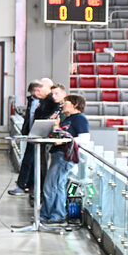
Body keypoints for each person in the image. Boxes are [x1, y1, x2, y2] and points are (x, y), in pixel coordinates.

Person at [41, 93, 88, 224]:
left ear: (75, 105)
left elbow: (85, 138)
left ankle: (53, 215)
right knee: (56, 186)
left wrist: (64, 141)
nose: (62, 105)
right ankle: (54, 214)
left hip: (64, 156)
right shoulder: (67, 119)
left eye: (65, 103)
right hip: (58, 155)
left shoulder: (79, 118)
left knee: (52, 186)